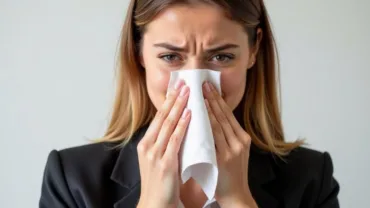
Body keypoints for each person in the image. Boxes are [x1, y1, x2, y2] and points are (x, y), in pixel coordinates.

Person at [39, 0, 340, 207]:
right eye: (171, 57)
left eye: (221, 57)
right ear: (139, 53)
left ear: (253, 50)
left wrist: (238, 199)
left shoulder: (310, 178)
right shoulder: (72, 179)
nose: (197, 84)